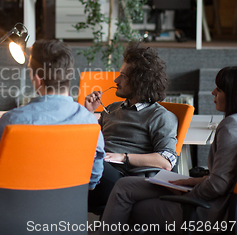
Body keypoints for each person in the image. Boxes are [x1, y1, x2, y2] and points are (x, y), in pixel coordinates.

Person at [97, 66, 237, 234]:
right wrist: (194, 181)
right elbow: (225, 177)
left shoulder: (230, 127)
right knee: (124, 186)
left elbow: (218, 185)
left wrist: (186, 195)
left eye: (219, 89)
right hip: (212, 197)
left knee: (126, 205)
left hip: (213, 211)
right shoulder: (232, 124)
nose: (213, 92)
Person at [0, 39, 106, 208]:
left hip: (8, 220)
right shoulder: (90, 124)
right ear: (69, 75)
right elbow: (92, 180)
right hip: (64, 222)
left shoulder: (12, 122)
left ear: (37, 78)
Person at [85, 42, 178, 209]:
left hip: (124, 178)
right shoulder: (112, 108)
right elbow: (88, 138)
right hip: (100, 169)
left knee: (90, 163)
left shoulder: (160, 116)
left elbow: (166, 161)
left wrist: (123, 157)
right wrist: (87, 112)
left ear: (138, 82)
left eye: (123, 75)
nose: (116, 80)